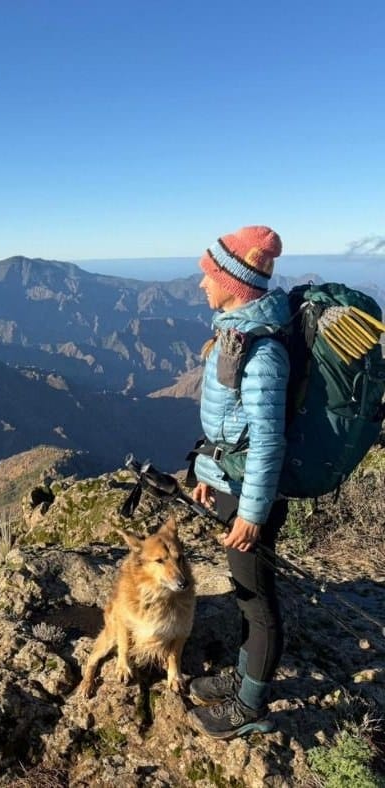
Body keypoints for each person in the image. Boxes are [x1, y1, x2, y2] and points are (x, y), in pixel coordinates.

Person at [186, 225, 291, 740]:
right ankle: (243, 675)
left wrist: (251, 513)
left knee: (255, 597)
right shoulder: (235, 336)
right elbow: (231, 429)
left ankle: (250, 705)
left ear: (235, 282)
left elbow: (268, 444)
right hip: (235, 482)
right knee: (242, 587)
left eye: (209, 275)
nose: (202, 284)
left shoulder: (263, 355)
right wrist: (207, 475)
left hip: (256, 496)